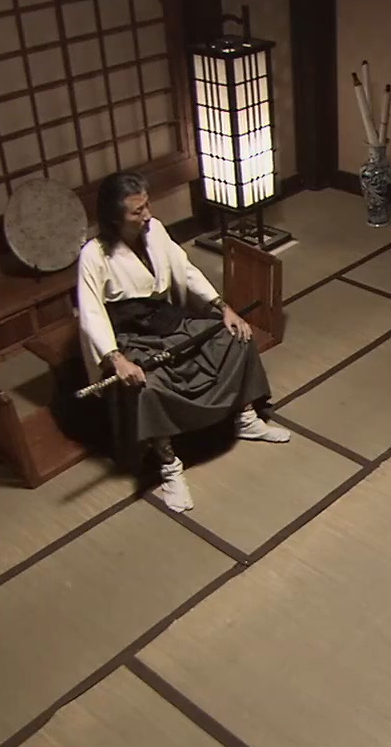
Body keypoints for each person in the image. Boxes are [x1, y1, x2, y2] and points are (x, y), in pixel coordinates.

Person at [75, 172, 291, 512]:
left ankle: (245, 418)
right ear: (115, 216)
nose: (147, 215)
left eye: (147, 205)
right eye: (137, 211)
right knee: (149, 388)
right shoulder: (94, 255)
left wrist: (223, 308)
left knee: (236, 338)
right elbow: (91, 312)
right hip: (132, 336)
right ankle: (169, 464)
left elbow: (186, 271)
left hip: (168, 320)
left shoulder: (156, 231)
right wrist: (117, 359)